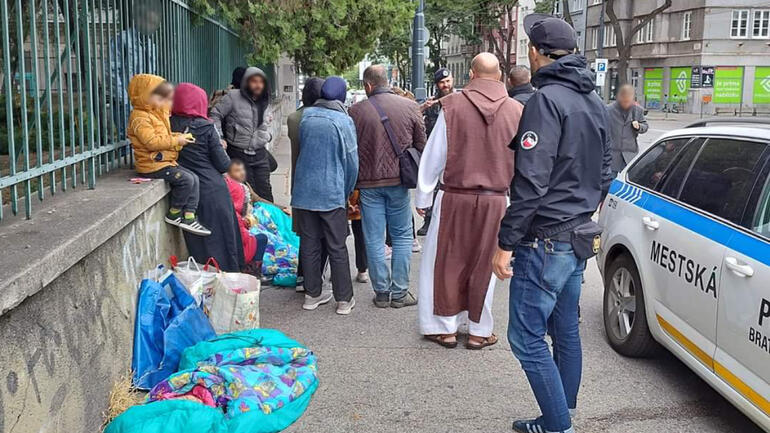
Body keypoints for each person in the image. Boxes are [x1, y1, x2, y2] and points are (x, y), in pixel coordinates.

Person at [492, 14, 612, 433]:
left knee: (525, 339)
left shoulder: (545, 101)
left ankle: (559, 425)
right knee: (564, 329)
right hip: (577, 233)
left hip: (546, 239)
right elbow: (607, 170)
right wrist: (582, 208)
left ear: (535, 52)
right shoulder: (593, 101)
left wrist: (506, 242)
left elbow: (530, 181)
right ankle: (562, 411)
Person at [416, 53, 522, 350]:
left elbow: (435, 154)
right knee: (485, 266)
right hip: (498, 201)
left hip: (455, 198)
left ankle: (445, 328)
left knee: (446, 262)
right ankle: (478, 331)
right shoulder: (517, 111)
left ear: (472, 75)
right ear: (499, 76)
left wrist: (423, 196)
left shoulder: (451, 107)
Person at [349, 65, 426, 309]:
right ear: (387, 82)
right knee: (402, 236)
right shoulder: (410, 107)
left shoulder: (355, 111)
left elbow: (351, 151)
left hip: (368, 183)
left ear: (368, 86)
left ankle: (381, 292)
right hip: (399, 182)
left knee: (373, 237)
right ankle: (400, 293)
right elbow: (421, 145)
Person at [292, 77, 359, 315]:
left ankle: (312, 295)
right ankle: (343, 300)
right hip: (331, 192)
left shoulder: (307, 118)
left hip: (304, 191)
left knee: (309, 244)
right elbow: (351, 161)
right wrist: (348, 191)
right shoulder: (344, 121)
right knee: (337, 246)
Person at [171, 82, 243, 271]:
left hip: (188, 195)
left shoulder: (168, 126)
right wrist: (221, 147)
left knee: (199, 246)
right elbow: (223, 165)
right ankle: (228, 284)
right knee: (223, 242)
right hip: (213, 191)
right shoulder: (205, 127)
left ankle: (206, 286)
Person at [126, 74, 210, 236]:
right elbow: (152, 142)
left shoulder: (156, 114)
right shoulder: (139, 118)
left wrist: (179, 138)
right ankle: (174, 213)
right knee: (185, 180)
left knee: (194, 178)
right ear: (145, 95)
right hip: (151, 165)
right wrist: (176, 140)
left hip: (164, 162)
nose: (164, 100)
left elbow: (164, 136)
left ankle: (189, 216)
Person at [211, 66, 275, 202]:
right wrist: (220, 137)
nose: (258, 85)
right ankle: (251, 223)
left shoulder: (266, 99)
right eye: (254, 81)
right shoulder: (233, 97)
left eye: (261, 82)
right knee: (248, 195)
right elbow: (215, 114)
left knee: (266, 192)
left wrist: (268, 136)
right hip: (239, 153)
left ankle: (270, 222)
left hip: (260, 153)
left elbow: (267, 121)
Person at [288, 77, 326, 290]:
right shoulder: (328, 118)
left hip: (300, 181)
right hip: (324, 182)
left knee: (305, 232)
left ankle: (303, 276)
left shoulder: (294, 118)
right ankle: (316, 277)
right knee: (324, 234)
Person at [109, 0, 159, 140]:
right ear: (139, 20)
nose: (152, 27)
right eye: (149, 22)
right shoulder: (122, 39)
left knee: (145, 140)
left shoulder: (151, 45)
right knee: (127, 138)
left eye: (154, 24)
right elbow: (112, 70)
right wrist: (124, 99)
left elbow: (153, 75)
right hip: (125, 101)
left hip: (146, 103)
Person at [416, 68, 455, 237]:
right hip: (434, 149)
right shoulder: (432, 104)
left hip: (453, 151)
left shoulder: (459, 101)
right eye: (442, 82)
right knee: (432, 185)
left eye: (448, 81)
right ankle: (428, 220)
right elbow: (414, 118)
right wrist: (423, 107)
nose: (446, 85)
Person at [607, 83, 648, 177]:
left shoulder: (638, 110)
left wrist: (639, 127)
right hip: (612, 155)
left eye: (629, 100)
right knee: (609, 183)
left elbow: (645, 126)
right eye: (624, 101)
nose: (626, 103)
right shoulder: (608, 110)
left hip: (629, 155)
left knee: (628, 182)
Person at [348, 190, 369, 283]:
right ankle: (362, 270)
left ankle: (336, 269)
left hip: (341, 192)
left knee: (336, 235)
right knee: (360, 234)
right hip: (360, 191)